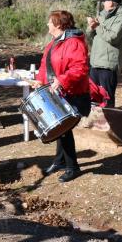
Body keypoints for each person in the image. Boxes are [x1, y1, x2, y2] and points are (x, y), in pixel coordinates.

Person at [34, 10, 91, 182]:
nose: (47, 24)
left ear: (58, 24)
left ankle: (73, 167)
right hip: (58, 92)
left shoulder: (74, 43)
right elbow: (45, 66)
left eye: (50, 22)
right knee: (60, 127)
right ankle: (59, 162)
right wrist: (39, 80)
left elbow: (80, 69)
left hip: (75, 93)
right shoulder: (53, 43)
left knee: (64, 129)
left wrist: (62, 80)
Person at [86, 0, 122, 107]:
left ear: (112, 2)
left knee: (106, 100)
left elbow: (113, 37)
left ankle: (109, 123)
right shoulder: (101, 16)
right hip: (95, 63)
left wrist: (97, 27)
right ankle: (94, 124)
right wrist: (91, 27)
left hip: (108, 65)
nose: (103, 3)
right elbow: (90, 37)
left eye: (105, 1)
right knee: (93, 98)